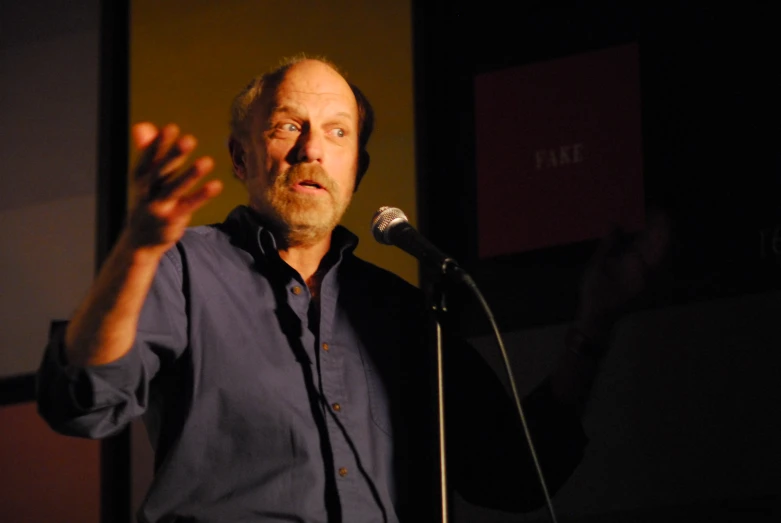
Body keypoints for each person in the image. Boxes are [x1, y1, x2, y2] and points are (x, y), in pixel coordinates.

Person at [36, 56, 664, 522]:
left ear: (357, 170)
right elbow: (84, 401)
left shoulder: (398, 311)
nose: (312, 147)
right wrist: (138, 250)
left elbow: (514, 474)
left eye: (338, 132)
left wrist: (595, 324)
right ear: (240, 157)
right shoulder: (182, 267)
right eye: (287, 126)